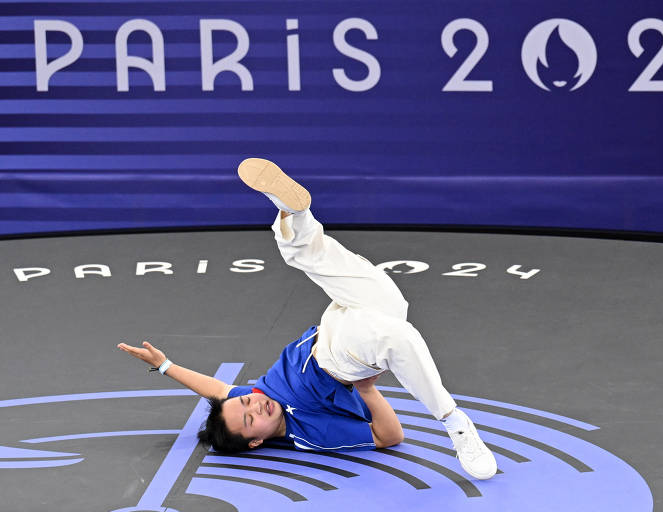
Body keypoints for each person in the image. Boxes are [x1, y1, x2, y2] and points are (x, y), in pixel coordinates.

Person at [117, 158, 498, 480]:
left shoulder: (255, 398)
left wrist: (165, 365)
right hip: (340, 360)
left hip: (331, 324)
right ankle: (455, 423)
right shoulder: (309, 433)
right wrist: (366, 390)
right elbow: (388, 436)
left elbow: (216, 390)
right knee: (395, 333)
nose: (255, 405)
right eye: (250, 419)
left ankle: (293, 213)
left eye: (247, 401)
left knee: (363, 287)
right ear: (256, 443)